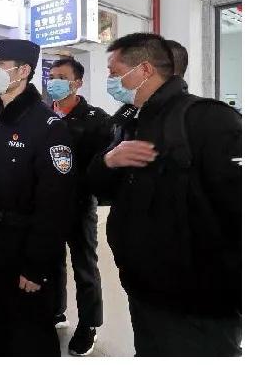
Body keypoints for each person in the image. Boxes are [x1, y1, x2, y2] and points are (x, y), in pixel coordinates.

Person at [88, 33, 241, 356]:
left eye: (115, 73)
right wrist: (108, 161)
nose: (110, 81)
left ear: (143, 70)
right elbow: (100, 187)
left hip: (199, 302)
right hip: (145, 288)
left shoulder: (208, 120)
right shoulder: (130, 121)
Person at [0, 38, 75, 357]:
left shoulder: (47, 126)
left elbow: (54, 203)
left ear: (23, 71)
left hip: (23, 245)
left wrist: (36, 265)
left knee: (31, 334)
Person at [45, 57, 112, 355]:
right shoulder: (44, 116)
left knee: (84, 266)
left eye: (61, 76)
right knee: (51, 261)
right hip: (48, 205)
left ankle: (89, 325)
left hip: (80, 203)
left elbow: (103, 167)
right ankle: (56, 311)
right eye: (51, 76)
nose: (54, 81)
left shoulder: (97, 120)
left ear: (77, 82)